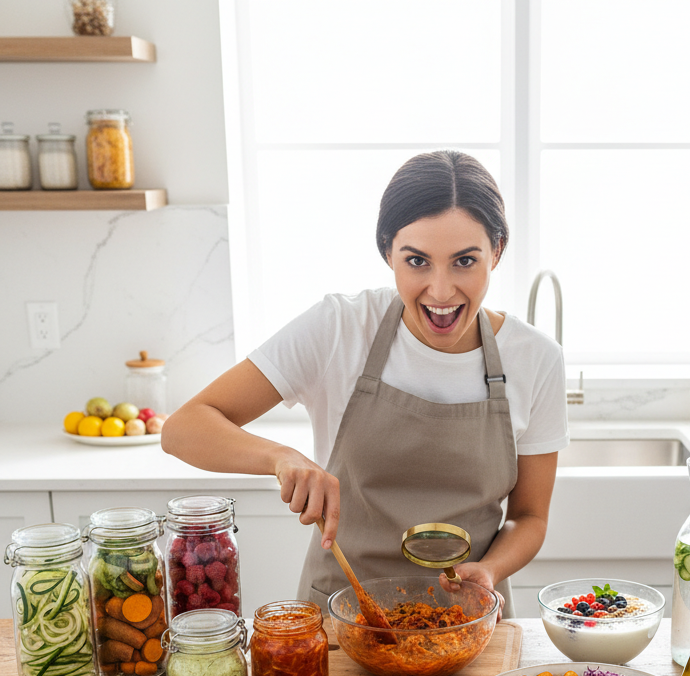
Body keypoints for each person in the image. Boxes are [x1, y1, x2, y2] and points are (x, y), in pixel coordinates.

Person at [161, 150, 569, 616]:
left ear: (496, 252)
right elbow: (183, 428)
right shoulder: (339, 327)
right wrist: (281, 458)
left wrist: (492, 569)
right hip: (342, 618)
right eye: (416, 261)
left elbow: (529, 517)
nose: (440, 290)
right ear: (387, 252)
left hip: (470, 623)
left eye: (464, 261)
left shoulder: (536, 358)